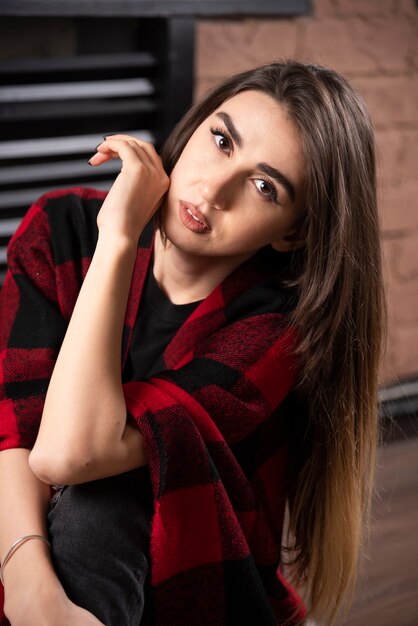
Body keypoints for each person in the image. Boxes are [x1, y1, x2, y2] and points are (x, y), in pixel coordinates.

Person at [0, 60, 384, 626]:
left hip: (191, 581)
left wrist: (121, 238)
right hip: (38, 533)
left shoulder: (276, 332)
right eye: (222, 139)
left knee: (100, 501)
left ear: (294, 231)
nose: (213, 190)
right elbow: (18, 433)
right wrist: (28, 580)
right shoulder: (62, 229)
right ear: (196, 122)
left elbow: (68, 455)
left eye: (263, 186)